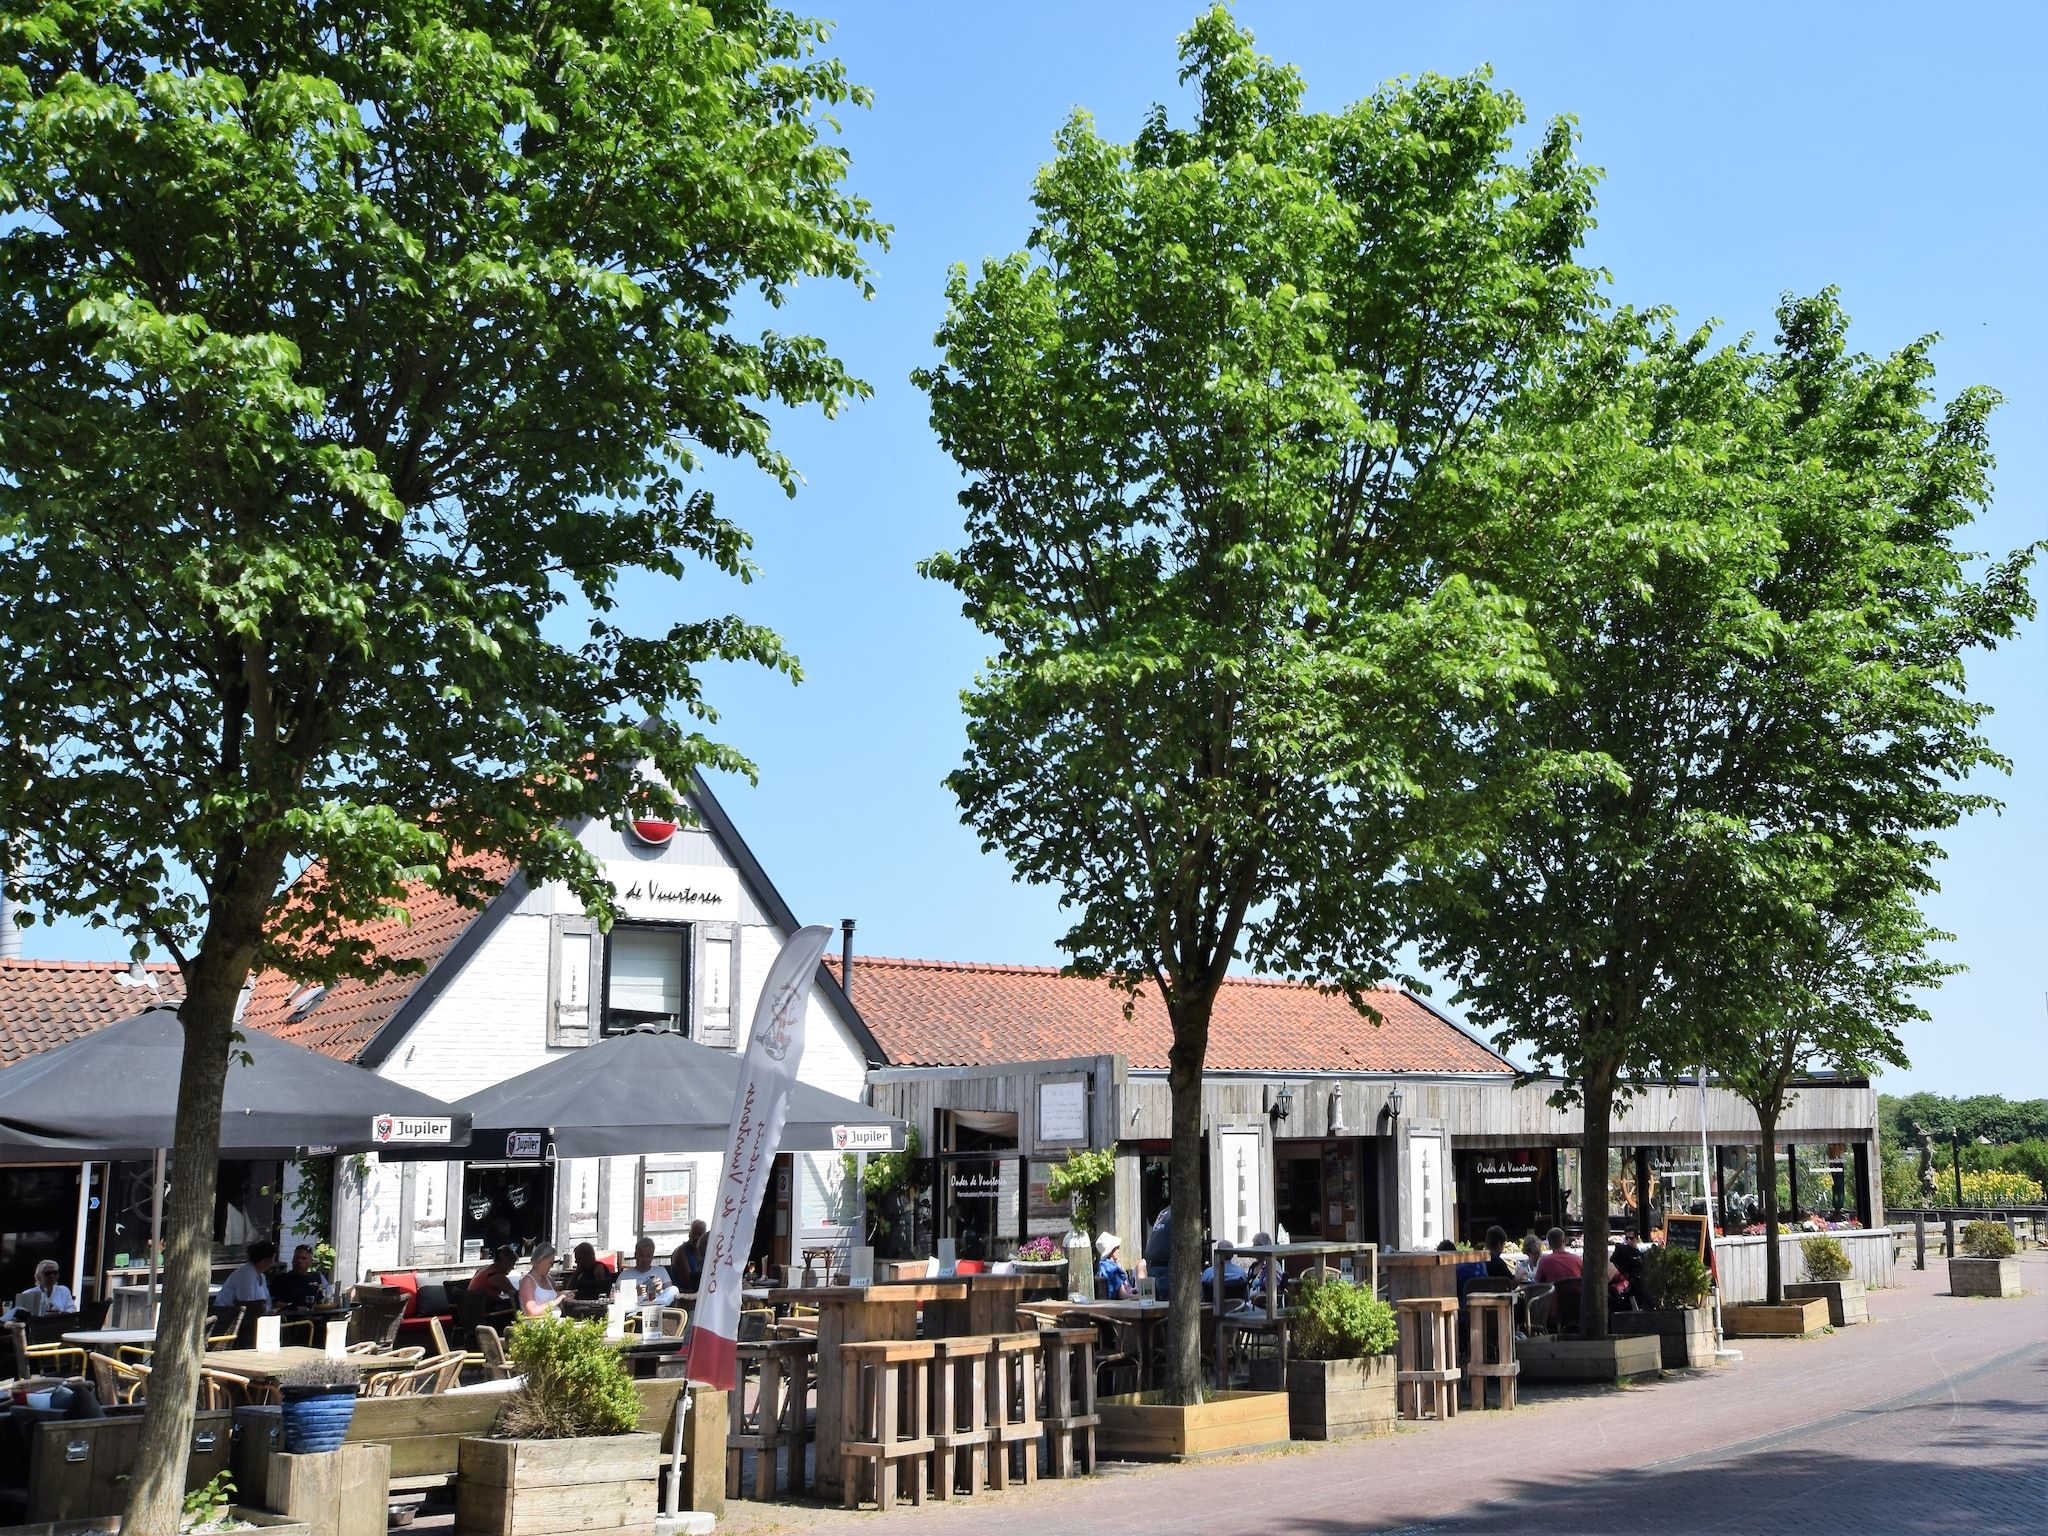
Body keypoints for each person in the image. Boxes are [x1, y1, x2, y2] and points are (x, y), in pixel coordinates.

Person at [215, 1240, 277, 1311]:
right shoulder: (245, 1274)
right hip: (226, 1313)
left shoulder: (261, 1276)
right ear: (266, 1260)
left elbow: (266, 1303)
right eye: (273, 1258)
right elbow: (247, 1304)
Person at [617, 1238, 678, 1308]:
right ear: (635, 1255)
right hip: (635, 1308)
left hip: (658, 1305)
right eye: (642, 1256)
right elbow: (616, 1298)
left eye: (648, 1256)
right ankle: (651, 1305)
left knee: (674, 1289)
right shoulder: (625, 1275)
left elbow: (670, 1291)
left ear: (652, 1256)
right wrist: (635, 1293)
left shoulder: (661, 1270)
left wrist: (660, 1290)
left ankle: (654, 1304)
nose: (645, 1260)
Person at [268, 1244, 330, 1309]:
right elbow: (274, 1304)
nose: (299, 1261)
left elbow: (328, 1299)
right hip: (288, 1314)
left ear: (310, 1262)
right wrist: (295, 1307)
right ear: (292, 1260)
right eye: (297, 1258)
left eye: (303, 1258)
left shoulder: (318, 1277)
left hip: (315, 1314)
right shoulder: (280, 1280)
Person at [468, 1244, 522, 1318]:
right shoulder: (495, 1275)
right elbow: (514, 1293)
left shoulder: (484, 1269)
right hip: (484, 1312)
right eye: (512, 1263)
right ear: (505, 1261)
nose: (513, 1267)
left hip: (473, 1308)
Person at [11, 1259, 77, 1318]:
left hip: (61, 1325)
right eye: (48, 1273)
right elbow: (21, 1317)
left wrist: (60, 1313)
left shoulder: (64, 1290)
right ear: (38, 1276)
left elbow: (72, 1310)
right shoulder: (27, 1294)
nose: (52, 1276)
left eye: (55, 1273)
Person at [518, 1243, 561, 1318]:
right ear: (539, 1261)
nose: (551, 1266)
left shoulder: (549, 1279)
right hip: (536, 1323)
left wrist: (564, 1295)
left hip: (553, 1320)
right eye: (550, 1263)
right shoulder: (528, 1281)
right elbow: (532, 1312)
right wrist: (557, 1301)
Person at [1143, 1206, 1173, 1302]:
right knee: (1165, 1306)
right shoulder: (1180, 1211)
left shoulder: (1164, 1212)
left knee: (1154, 1304)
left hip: (1152, 1267)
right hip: (1165, 1268)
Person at [670, 1221, 707, 1293]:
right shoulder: (680, 1252)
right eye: (694, 1234)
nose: (696, 1237)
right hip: (684, 1294)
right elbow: (688, 1282)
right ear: (689, 1234)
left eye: (700, 1234)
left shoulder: (705, 1251)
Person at [1094, 1232, 1134, 1299]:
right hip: (1120, 1303)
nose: (1119, 1250)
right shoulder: (1113, 1270)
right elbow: (1123, 1296)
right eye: (1117, 1248)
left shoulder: (1103, 1267)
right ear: (1112, 1251)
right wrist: (1139, 1297)